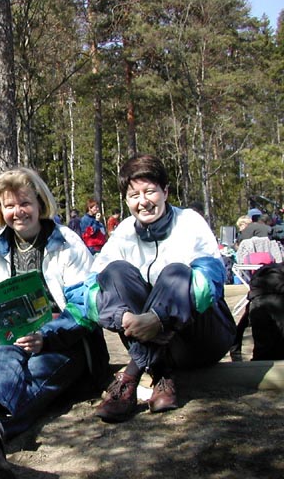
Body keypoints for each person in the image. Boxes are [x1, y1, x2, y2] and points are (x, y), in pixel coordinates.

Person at [0, 167, 109, 439]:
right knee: (1, 354)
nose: (18, 212)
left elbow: (85, 308)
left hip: (65, 342)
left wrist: (45, 336)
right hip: (9, 342)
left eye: (25, 203)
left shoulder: (67, 243)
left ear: (39, 203)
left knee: (35, 371)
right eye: (9, 206)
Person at [87, 155, 236, 423]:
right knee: (115, 272)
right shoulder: (123, 232)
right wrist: (123, 317)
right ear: (126, 200)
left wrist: (158, 318)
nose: (143, 201)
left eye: (150, 191)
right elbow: (91, 287)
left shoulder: (189, 222)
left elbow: (212, 281)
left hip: (202, 338)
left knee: (175, 273)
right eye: (134, 195)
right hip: (157, 345)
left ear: (165, 192)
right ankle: (161, 373)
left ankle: (131, 375)